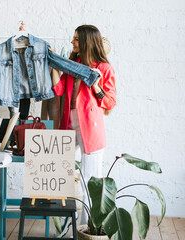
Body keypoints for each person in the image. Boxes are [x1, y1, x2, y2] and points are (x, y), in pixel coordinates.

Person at [52, 25, 116, 225]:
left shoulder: (103, 68)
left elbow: (110, 102)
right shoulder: (72, 64)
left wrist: (96, 85)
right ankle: (64, 225)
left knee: (90, 181)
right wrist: (55, 65)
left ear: (88, 42)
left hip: (91, 129)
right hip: (69, 125)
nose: (72, 42)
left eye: (77, 39)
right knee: (61, 177)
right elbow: (59, 90)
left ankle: (86, 226)